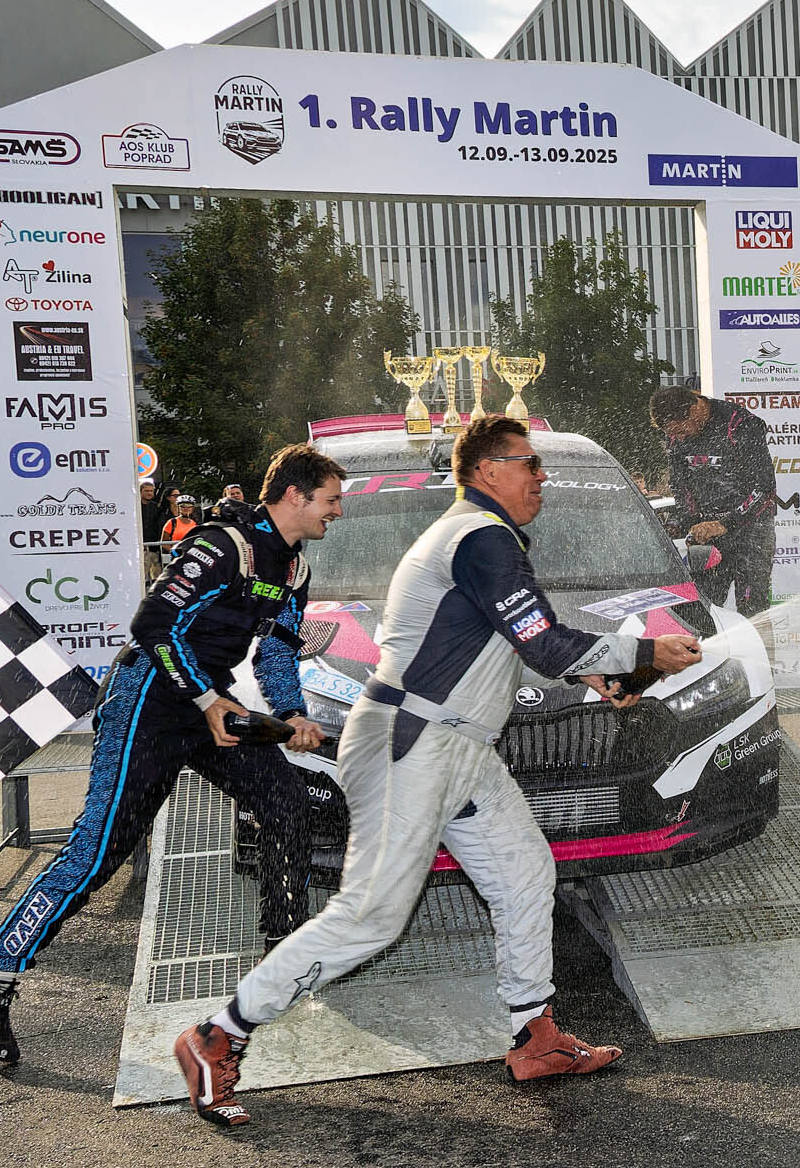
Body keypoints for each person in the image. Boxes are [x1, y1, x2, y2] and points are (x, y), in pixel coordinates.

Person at [172, 415, 703, 1126]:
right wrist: (642, 650)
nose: (541, 475)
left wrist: (598, 675)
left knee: (525, 874)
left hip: (457, 748)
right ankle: (217, 1035)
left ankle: (534, 1034)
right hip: (413, 743)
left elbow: (499, 640)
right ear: (488, 471)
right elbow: (542, 641)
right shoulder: (480, 536)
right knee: (371, 917)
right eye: (529, 463)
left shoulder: (482, 535)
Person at [0, 445, 344, 1067]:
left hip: (207, 704)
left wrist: (291, 713)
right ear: (295, 495)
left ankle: (281, 960)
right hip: (147, 701)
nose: (337, 511)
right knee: (98, 853)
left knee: (287, 800)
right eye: (331, 499)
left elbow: (275, 651)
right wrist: (208, 698)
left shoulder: (294, 568)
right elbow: (153, 625)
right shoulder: (222, 544)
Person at [651, 386, 779, 617]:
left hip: (751, 530)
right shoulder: (676, 438)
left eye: (680, 430)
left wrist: (725, 524)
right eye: (672, 434)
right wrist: (687, 522)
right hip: (709, 534)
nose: (679, 438)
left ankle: (759, 641)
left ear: (694, 409)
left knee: (753, 608)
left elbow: (764, 488)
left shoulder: (740, 424)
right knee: (701, 607)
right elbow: (680, 486)